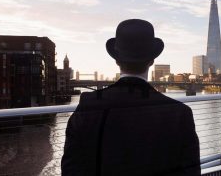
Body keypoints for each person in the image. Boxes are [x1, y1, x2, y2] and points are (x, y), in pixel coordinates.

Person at [61, 19, 201, 175]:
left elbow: (70, 168)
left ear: (116, 60)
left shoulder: (88, 107)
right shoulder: (180, 113)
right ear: (152, 61)